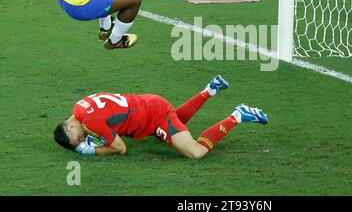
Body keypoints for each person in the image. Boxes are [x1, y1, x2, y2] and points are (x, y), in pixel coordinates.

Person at [53, 76, 269, 159]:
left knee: (195, 152)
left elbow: (121, 148)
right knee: (175, 126)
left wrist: (92, 150)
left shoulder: (90, 123)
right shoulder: (78, 109)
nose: (82, 140)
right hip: (148, 104)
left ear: (70, 128)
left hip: (154, 115)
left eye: (78, 139)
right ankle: (209, 90)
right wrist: (94, 137)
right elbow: (101, 119)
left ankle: (237, 116)